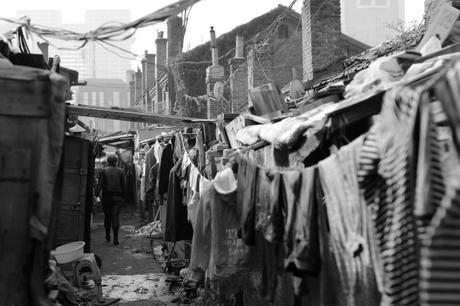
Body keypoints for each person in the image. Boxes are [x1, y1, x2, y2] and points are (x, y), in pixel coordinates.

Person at [98, 155, 127, 245]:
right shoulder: (121, 171)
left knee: (107, 217)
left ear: (107, 161)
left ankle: (107, 235)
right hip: (118, 197)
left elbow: (100, 185)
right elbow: (124, 185)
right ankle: (115, 239)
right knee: (115, 217)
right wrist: (123, 197)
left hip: (106, 197)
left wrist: (96, 195)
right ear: (116, 162)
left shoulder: (103, 171)